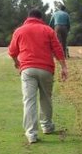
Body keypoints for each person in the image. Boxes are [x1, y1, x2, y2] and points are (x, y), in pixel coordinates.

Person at [8, 9, 68, 144]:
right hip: (46, 69)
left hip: (28, 70)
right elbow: (58, 49)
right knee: (46, 98)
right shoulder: (48, 30)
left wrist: (17, 62)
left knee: (29, 101)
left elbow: (12, 51)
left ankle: (31, 134)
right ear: (41, 18)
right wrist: (64, 67)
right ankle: (47, 126)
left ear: (28, 17)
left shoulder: (20, 31)